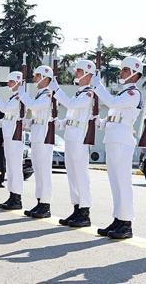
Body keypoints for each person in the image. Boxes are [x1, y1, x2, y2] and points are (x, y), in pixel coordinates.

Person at [91, 56, 143, 239]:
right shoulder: (123, 94)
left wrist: (98, 87)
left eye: (125, 70)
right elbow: (115, 115)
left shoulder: (133, 93)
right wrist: (102, 122)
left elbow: (112, 104)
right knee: (115, 183)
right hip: (113, 139)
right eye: (122, 70)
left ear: (135, 74)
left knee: (123, 182)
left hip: (122, 141)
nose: (121, 73)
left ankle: (126, 223)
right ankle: (118, 219)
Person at [50, 59, 96, 227]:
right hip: (71, 135)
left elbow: (71, 104)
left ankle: (85, 211)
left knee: (81, 175)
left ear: (87, 74)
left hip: (80, 138)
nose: (76, 73)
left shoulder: (88, 93)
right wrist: (62, 122)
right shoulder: (79, 92)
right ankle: (76, 208)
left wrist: (57, 90)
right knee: (72, 174)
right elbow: (72, 113)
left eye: (79, 70)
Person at [19, 65, 56, 219]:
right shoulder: (40, 94)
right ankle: (40, 202)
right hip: (37, 134)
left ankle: (45, 205)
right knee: (38, 170)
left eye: (37, 75)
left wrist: (21, 92)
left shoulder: (48, 94)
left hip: (44, 136)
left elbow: (34, 106)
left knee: (44, 171)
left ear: (45, 78)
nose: (34, 78)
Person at [0, 72, 24, 210]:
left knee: (15, 168)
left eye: (11, 81)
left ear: (18, 82)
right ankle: (12, 196)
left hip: (15, 136)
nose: (8, 84)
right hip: (9, 135)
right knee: (11, 168)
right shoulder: (13, 96)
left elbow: (4, 109)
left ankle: (17, 198)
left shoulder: (19, 97)